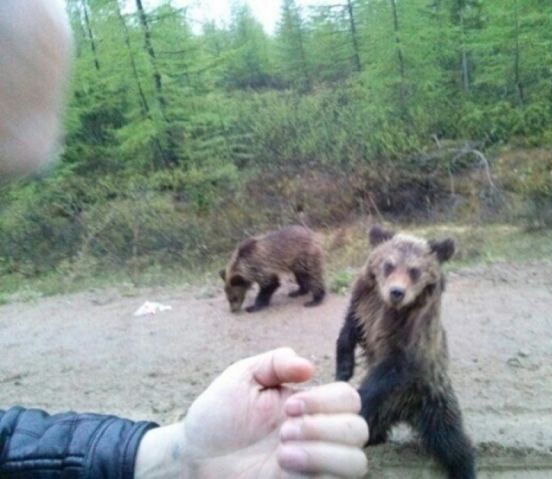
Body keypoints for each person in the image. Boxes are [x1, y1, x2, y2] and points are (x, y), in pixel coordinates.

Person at [0, 1, 369, 478]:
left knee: (306, 279)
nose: (235, 298)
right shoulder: (244, 267)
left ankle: (316, 293)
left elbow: (269, 284)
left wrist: (175, 455)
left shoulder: (249, 267)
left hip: (299, 245)